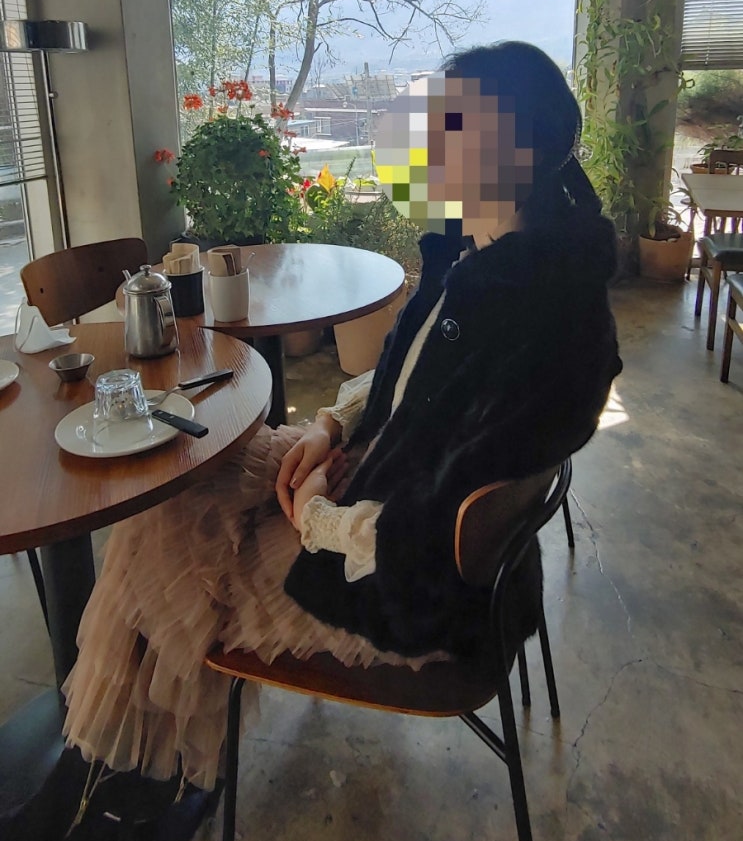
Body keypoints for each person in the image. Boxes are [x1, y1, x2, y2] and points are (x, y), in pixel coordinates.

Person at [60, 41, 621, 796]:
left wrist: (316, 515)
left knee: (163, 547)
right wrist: (331, 424)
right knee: (182, 486)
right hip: (385, 474)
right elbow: (408, 376)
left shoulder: (542, 316)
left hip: (406, 588)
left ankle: (135, 777)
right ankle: (140, 760)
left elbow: (427, 538)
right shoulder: (494, 255)